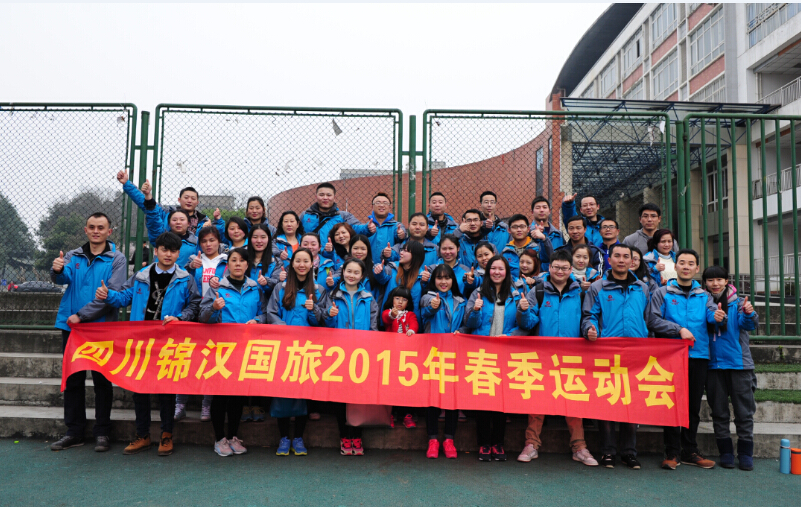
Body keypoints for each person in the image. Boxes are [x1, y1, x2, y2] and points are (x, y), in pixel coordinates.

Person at [96, 231, 201, 457]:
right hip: (141, 342)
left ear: (178, 253)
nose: (168, 254)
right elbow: (124, 298)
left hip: (169, 343)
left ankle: (166, 435)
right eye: (164, 250)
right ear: (156, 251)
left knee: (167, 391)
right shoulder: (141, 276)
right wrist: (108, 295)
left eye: (173, 251)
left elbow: (194, 305)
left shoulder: (186, 278)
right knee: (139, 390)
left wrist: (180, 318)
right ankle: (142, 435)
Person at [49, 212, 127, 453]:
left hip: (100, 328)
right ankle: (74, 432)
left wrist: (82, 315)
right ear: (85, 230)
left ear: (109, 232)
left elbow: (112, 294)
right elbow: (62, 278)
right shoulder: (73, 255)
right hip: (72, 328)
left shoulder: (117, 259)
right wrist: (57, 270)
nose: (96, 231)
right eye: (92, 227)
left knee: (102, 381)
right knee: (73, 380)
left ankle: (102, 432)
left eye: (101, 227)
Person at [516, 250, 598, 466]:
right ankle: (531, 444)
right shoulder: (538, 291)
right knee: (538, 401)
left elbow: (588, 317)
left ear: (571, 269)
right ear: (549, 268)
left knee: (573, 401)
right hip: (542, 356)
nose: (560, 271)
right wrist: (523, 311)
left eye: (564, 268)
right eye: (556, 267)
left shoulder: (581, 293)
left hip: (572, 357)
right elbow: (528, 323)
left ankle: (579, 447)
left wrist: (590, 329)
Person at [648, 249, 723, 470]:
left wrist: (717, 317)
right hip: (670, 356)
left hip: (698, 355)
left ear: (697, 268)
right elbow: (653, 320)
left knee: (692, 405)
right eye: (682, 262)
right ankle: (671, 452)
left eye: (691, 263)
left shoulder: (704, 295)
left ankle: (690, 450)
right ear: (676, 266)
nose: (686, 267)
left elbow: (711, 315)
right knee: (671, 404)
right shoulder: (662, 292)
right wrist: (678, 329)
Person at [581, 243, 651, 470]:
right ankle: (608, 452)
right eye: (617, 256)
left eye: (626, 257)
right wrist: (590, 329)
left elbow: (649, 319)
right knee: (607, 401)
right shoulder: (598, 287)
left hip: (636, 353)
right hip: (607, 353)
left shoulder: (642, 288)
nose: (622, 260)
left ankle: (629, 452)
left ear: (632, 261)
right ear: (609, 260)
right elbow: (589, 315)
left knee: (632, 402)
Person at [262, 248, 326, 456]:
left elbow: (321, 320)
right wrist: (285, 330)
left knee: (302, 393)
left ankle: (298, 437)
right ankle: (283, 437)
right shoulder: (280, 288)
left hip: (307, 349)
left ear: (312, 264)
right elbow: (271, 313)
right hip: (284, 346)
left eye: (306, 261)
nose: (301, 265)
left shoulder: (318, 289)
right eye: (298, 261)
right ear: (292, 263)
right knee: (282, 393)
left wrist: (313, 309)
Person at [198, 247, 260, 456]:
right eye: (234, 260)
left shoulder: (254, 288)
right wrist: (214, 308)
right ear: (228, 264)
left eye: (242, 261)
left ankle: (233, 436)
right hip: (221, 349)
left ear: (247, 265)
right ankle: (219, 439)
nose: (238, 264)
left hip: (245, 349)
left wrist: (257, 320)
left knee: (237, 396)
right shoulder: (217, 287)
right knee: (220, 395)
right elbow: (202, 316)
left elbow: (263, 313)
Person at [462, 255, 522, 461]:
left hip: (506, 353)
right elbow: (469, 323)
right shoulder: (478, 292)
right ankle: (484, 444)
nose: (497, 272)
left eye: (501, 269)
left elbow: (525, 325)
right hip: (483, 353)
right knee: (483, 401)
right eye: (493, 268)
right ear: (488, 271)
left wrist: (511, 335)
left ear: (507, 272)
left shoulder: (515, 294)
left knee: (501, 401)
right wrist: (475, 310)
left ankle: (498, 443)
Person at [703, 266, 759, 471]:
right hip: (713, 365)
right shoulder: (702, 302)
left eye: (719, 279)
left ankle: (745, 453)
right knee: (719, 412)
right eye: (710, 280)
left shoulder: (739, 302)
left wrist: (749, 313)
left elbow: (748, 325)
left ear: (727, 281)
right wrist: (714, 316)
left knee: (744, 413)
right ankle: (725, 452)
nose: (715, 284)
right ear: (705, 283)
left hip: (739, 365)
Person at [322, 258, 379, 455]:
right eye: (349, 271)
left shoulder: (369, 298)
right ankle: (344, 437)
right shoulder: (332, 295)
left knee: (359, 397)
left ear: (362, 276)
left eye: (356, 272)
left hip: (362, 353)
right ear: (343, 272)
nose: (352, 275)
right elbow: (326, 326)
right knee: (341, 397)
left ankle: (357, 436)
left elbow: (373, 327)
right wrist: (330, 315)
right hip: (339, 354)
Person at [177, 226, 227, 422]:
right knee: (187, 359)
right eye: (204, 241)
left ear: (219, 242)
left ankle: (207, 404)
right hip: (194, 313)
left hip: (215, 314)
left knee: (212, 361)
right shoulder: (194, 261)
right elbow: (182, 280)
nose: (208, 244)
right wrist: (190, 267)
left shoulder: (226, 261)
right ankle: (180, 403)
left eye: (212, 240)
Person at [420, 264, 466, 459]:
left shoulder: (461, 301)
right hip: (433, 353)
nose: (443, 281)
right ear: (434, 280)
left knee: (452, 399)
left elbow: (466, 325)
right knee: (432, 398)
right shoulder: (428, 298)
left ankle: (449, 440)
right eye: (439, 278)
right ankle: (432, 440)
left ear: (453, 280)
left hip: (455, 355)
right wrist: (433, 307)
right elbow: (425, 315)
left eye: (447, 278)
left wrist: (461, 332)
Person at [239, 223, 284, 423]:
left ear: (269, 240)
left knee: (259, 361)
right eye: (255, 237)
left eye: (263, 237)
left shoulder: (276, 262)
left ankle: (258, 403)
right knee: (240, 361)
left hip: (265, 316)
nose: (259, 241)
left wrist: (268, 283)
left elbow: (280, 287)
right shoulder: (242, 257)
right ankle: (242, 403)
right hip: (243, 314)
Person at [117, 170, 210, 235]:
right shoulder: (166, 214)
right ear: (179, 200)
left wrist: (215, 223)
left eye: (193, 198)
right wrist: (127, 184)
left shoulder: (204, 222)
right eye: (186, 197)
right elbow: (146, 202)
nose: (189, 201)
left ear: (197, 202)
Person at [326, 235, 389, 305]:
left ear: (368, 250)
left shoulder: (374, 268)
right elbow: (336, 277)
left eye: (363, 249)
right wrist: (331, 281)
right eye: (355, 248)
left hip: (369, 307)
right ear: (350, 249)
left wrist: (380, 272)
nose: (359, 252)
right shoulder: (344, 267)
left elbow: (383, 279)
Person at [301, 182, 372, 244]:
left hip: (335, 255)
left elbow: (356, 228)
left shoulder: (344, 216)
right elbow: (297, 234)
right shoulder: (305, 215)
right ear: (316, 197)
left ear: (334, 197)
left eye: (329, 195)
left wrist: (367, 228)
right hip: (308, 254)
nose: (325, 198)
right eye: (321, 195)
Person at [382, 241, 429, 318]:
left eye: (405, 251)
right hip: (389, 319)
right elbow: (381, 278)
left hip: (411, 322)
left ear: (415, 255)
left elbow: (425, 300)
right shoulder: (392, 268)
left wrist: (426, 282)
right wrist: (378, 271)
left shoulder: (423, 276)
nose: (401, 253)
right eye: (402, 250)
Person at [501, 214, 549, 279]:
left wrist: (543, 238)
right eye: (515, 227)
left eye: (522, 226)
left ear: (528, 229)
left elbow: (547, 259)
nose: (519, 230)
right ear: (509, 230)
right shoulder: (506, 251)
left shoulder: (537, 247)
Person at [367, 192, 406, 264]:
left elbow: (401, 240)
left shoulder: (396, 226)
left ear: (390, 207)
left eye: (385, 203)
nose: (381, 205)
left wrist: (401, 235)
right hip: (369, 267)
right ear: (372, 207)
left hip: (390, 267)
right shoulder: (367, 228)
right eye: (378, 202)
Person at [528, 196, 565, 270]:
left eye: (544, 207)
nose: (541, 210)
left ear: (549, 211)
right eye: (538, 208)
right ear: (532, 212)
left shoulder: (558, 234)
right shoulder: (527, 232)